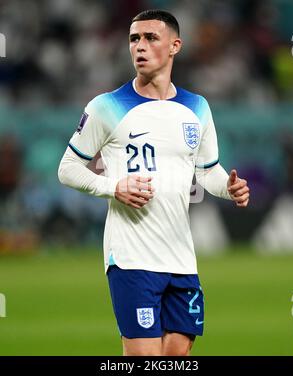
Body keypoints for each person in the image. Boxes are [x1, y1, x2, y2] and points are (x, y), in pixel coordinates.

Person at [58, 9, 250, 356]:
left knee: (176, 359)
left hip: (182, 260)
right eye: (134, 39)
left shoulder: (197, 108)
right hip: (132, 259)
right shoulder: (107, 106)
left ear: (175, 45)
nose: (140, 46)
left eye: (150, 38)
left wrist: (229, 188)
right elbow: (68, 168)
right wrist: (113, 186)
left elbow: (208, 171)